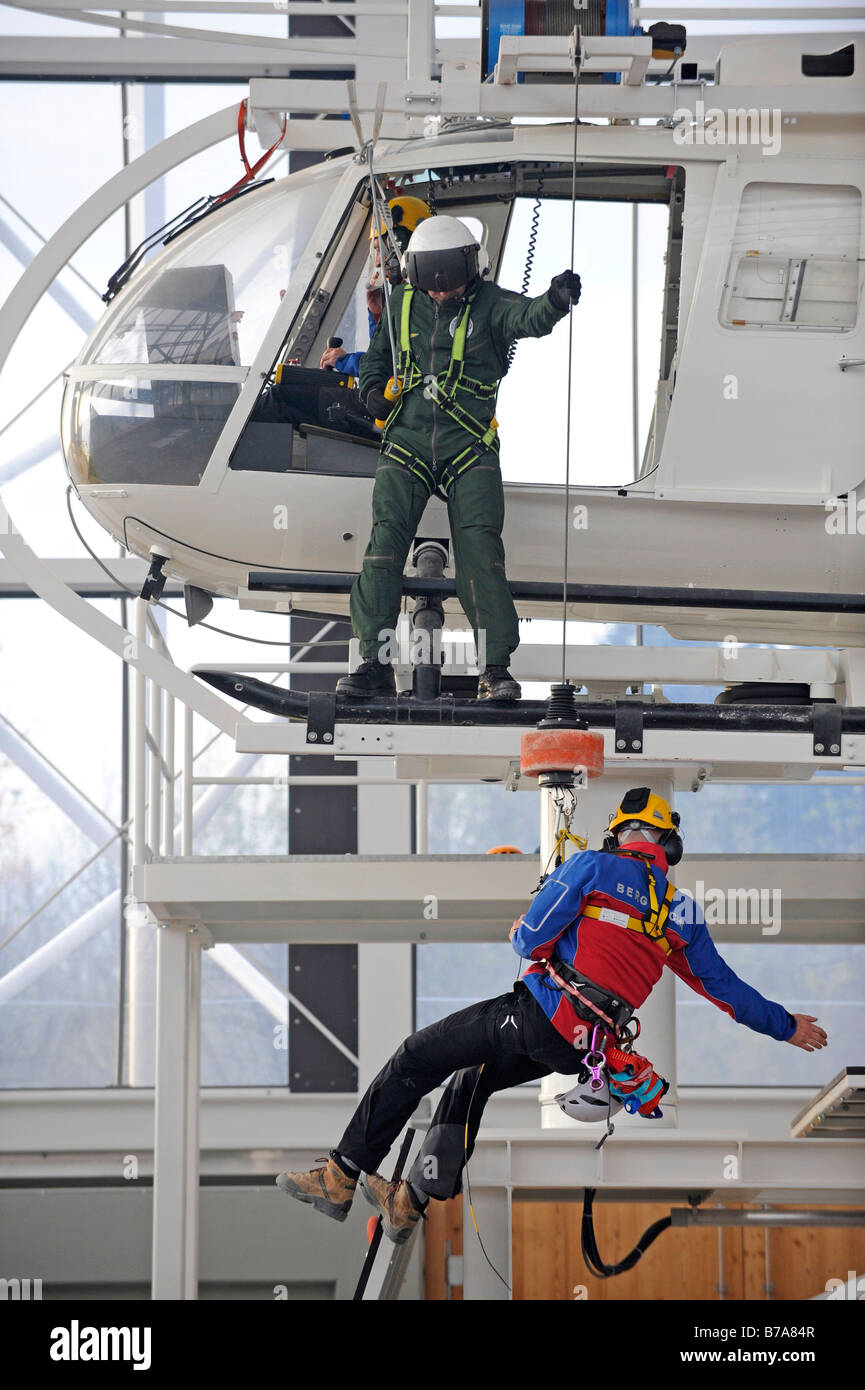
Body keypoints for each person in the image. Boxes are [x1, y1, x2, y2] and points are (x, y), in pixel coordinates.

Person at [276, 787, 827, 1242]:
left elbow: (534, 940)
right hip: (579, 1050)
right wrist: (787, 1025)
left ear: (620, 833)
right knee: (473, 1077)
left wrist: (519, 927)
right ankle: (409, 1203)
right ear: (667, 843)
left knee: (416, 1056)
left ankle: (340, 1174)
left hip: (542, 1015)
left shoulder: (591, 865)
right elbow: (725, 990)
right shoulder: (678, 911)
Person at [335, 214, 582, 703]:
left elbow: (527, 317)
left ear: (471, 271)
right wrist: (370, 392)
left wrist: (555, 302)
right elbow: (379, 360)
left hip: (469, 445)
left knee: (480, 552)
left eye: (451, 288)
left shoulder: (490, 305)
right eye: (434, 288)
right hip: (406, 441)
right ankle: (375, 665)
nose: (442, 296)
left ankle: (494, 669)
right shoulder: (402, 303)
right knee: (384, 546)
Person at [318, 195, 431, 376]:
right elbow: (382, 352)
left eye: (380, 249)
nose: (378, 261)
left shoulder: (428, 300)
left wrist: (345, 361)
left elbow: (390, 369)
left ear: (401, 244)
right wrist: (378, 315)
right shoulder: (405, 296)